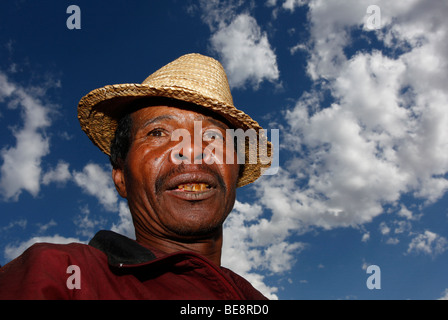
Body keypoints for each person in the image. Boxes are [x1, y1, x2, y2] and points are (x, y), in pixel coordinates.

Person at [0, 53, 272, 299]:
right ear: (120, 178)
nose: (192, 150)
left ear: (235, 172)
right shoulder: (60, 273)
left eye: (213, 136)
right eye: (157, 133)